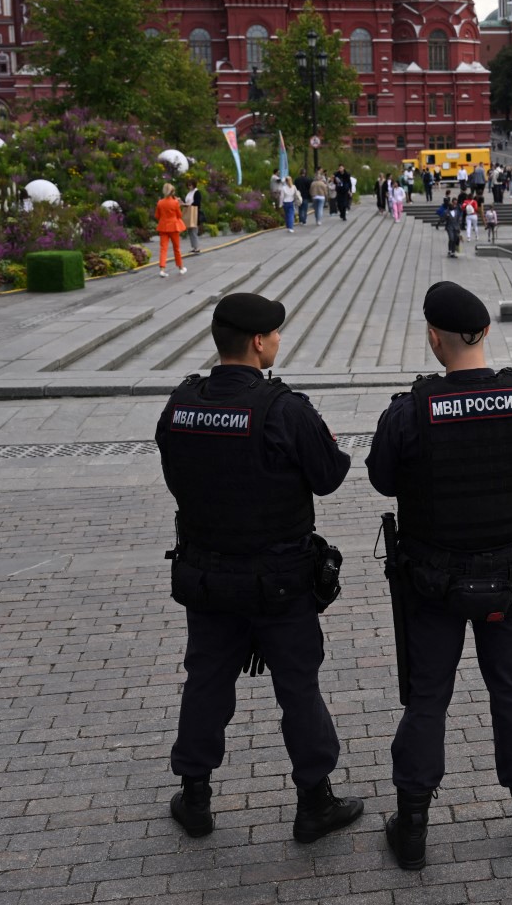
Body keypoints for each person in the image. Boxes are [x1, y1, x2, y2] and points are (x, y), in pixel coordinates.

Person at [367, 282, 512, 869]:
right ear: (485, 333)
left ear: (434, 337)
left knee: (427, 700)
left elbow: (382, 477)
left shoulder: (410, 410)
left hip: (433, 586)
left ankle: (412, 830)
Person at [156, 292, 362, 844]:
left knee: (205, 682)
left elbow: (175, 477)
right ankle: (314, 801)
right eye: (274, 335)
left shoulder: (181, 404)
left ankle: (195, 797)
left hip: (207, 578)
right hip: (280, 581)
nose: (277, 343)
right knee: (298, 688)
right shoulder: (284, 409)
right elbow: (330, 475)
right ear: (258, 342)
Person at [156, 182, 188, 277]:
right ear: (172, 191)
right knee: (176, 248)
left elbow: (157, 216)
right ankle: (180, 268)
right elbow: (179, 215)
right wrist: (179, 205)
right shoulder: (175, 203)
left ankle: (162, 269)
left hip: (163, 227)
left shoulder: (160, 202)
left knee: (163, 249)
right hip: (174, 227)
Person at [183, 179, 204, 255]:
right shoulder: (189, 193)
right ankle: (194, 247)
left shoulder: (197, 192)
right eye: (188, 185)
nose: (189, 187)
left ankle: (197, 247)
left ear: (194, 185)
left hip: (194, 213)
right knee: (190, 231)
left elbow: (197, 203)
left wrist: (189, 204)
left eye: (190, 185)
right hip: (189, 212)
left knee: (194, 230)